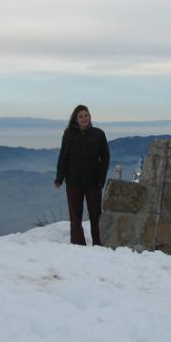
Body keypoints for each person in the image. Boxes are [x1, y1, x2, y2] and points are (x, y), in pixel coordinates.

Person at [54, 104, 110, 245]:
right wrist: (59, 178)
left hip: (94, 182)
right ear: (75, 119)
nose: (84, 118)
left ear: (90, 117)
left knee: (95, 215)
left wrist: (101, 179)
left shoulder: (98, 134)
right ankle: (78, 245)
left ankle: (98, 243)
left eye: (86, 115)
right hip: (74, 181)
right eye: (81, 116)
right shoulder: (69, 134)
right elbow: (64, 157)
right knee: (75, 216)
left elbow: (105, 158)